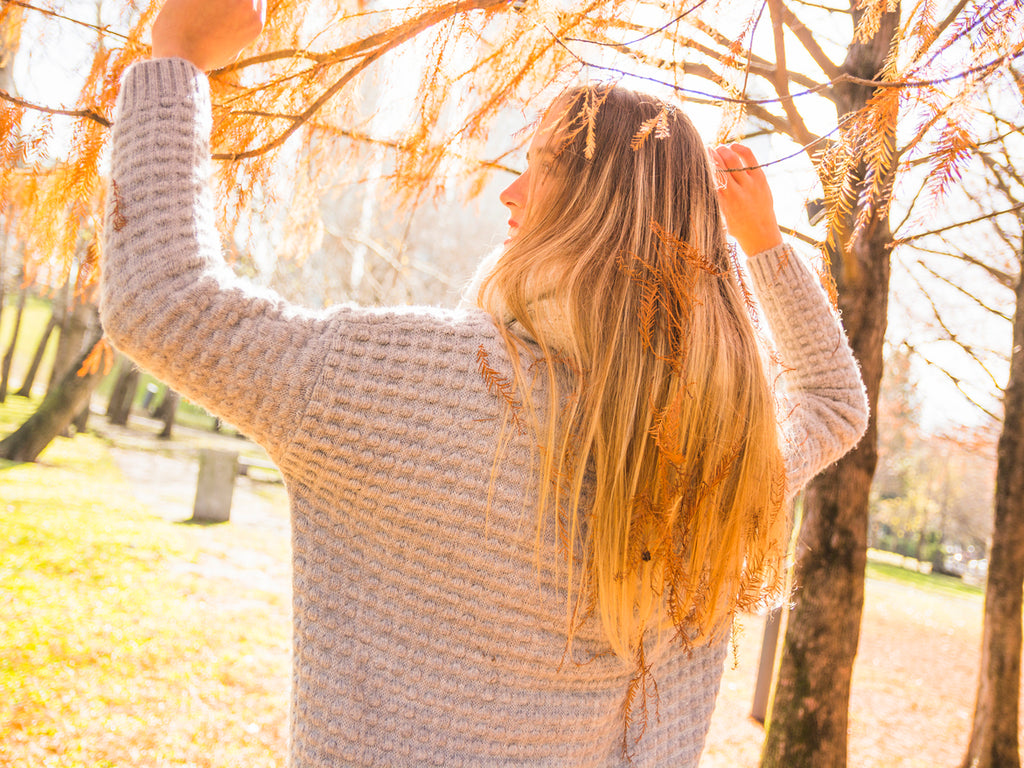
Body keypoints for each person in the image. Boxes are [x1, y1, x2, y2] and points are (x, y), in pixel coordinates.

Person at [100, 0, 868, 765]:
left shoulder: (407, 389)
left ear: (598, 213)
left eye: (543, 167)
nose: (511, 193)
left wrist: (181, 56)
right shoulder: (712, 462)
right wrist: (762, 245)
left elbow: (162, 300)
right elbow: (833, 404)